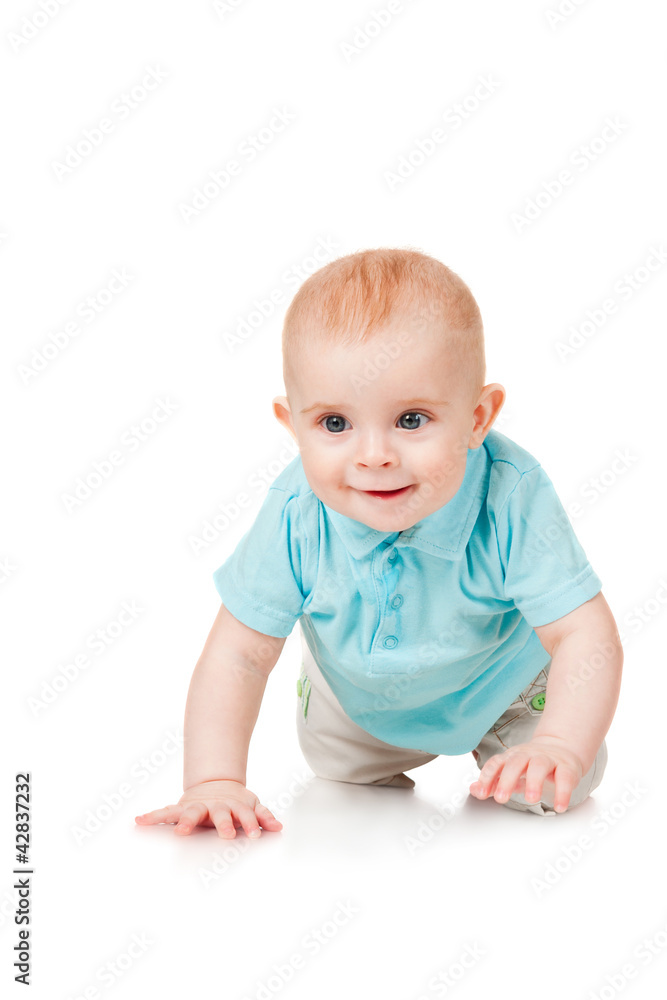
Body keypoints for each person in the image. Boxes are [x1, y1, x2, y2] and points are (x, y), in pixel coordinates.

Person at [135, 247, 623, 839]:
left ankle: (536, 745)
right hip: (359, 701)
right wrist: (212, 781)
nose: (374, 455)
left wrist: (561, 745)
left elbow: (583, 631)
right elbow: (239, 653)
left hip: (506, 691)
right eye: (335, 424)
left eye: (411, 419)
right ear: (293, 427)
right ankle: (357, 741)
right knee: (344, 792)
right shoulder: (297, 513)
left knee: (549, 791)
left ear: (477, 418)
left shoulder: (511, 494)